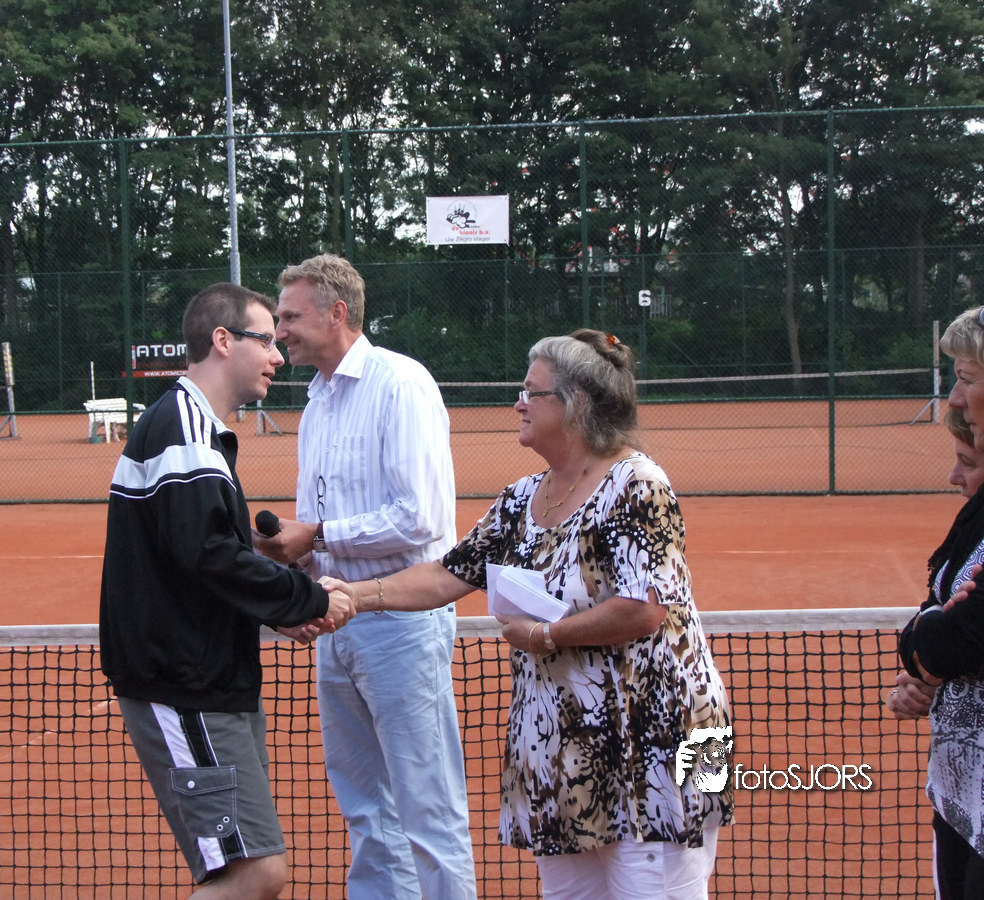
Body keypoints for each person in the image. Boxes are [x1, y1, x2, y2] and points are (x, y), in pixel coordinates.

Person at [322, 329, 733, 900]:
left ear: (575, 405)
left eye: (530, 392)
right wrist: (351, 594)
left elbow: (643, 609)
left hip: (661, 742)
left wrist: (546, 635)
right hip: (564, 750)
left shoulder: (639, 486)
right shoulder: (521, 499)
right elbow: (445, 575)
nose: (517, 404)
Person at [99, 282, 354, 899]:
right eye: (265, 340)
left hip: (208, 680)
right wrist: (308, 599)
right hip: (185, 687)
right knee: (254, 873)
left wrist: (276, 612)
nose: (277, 354)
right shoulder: (184, 429)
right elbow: (208, 553)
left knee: (239, 871)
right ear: (222, 340)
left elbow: (197, 558)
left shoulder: (195, 429)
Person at [253, 254, 478, 899]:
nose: (280, 332)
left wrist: (317, 534)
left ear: (336, 313)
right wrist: (294, 559)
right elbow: (319, 517)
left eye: (290, 317)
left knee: (428, 810)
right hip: (335, 621)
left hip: (402, 625)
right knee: (367, 810)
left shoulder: (401, 384)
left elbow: (420, 517)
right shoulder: (317, 399)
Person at [899, 305, 984, 899]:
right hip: (960, 791)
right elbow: (936, 610)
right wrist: (925, 663)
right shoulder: (973, 518)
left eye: (967, 377)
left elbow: (956, 634)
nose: (954, 397)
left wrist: (930, 652)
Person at [887, 406, 984, 720]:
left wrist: (932, 663)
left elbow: (945, 644)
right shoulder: (968, 533)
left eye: (967, 463)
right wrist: (927, 681)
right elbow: (927, 637)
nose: (953, 477)